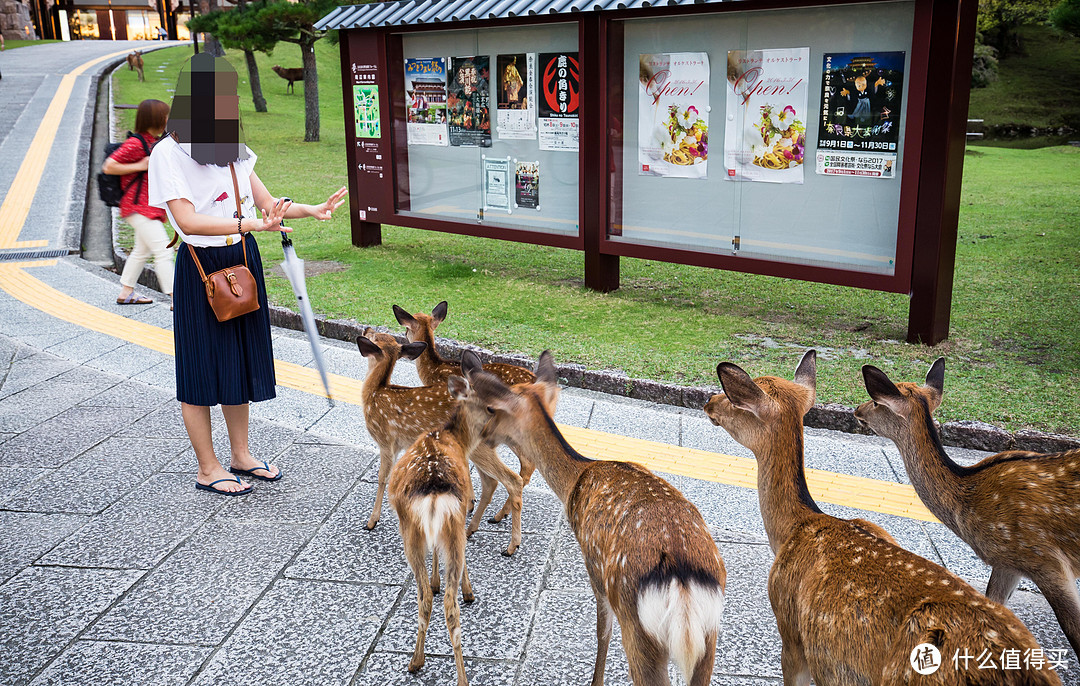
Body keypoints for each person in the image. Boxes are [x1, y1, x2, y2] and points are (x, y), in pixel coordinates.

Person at [149, 54, 347, 495]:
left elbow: (267, 204)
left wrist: (312, 209)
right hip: (203, 268)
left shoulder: (231, 149)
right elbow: (188, 221)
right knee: (201, 368)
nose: (229, 105)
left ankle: (240, 454)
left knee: (238, 359)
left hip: (242, 258)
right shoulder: (167, 154)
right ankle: (207, 466)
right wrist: (249, 225)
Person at [102, 99, 173, 306]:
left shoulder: (154, 141)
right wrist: (140, 164)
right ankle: (176, 297)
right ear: (156, 118)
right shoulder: (136, 143)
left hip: (146, 208)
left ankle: (126, 291)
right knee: (163, 250)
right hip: (137, 207)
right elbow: (109, 166)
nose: (169, 119)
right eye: (166, 115)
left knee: (141, 250)